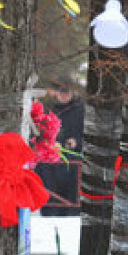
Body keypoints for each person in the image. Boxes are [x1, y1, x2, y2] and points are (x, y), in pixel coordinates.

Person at [36, 84, 85, 217]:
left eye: (67, 92)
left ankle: (72, 211)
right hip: (50, 158)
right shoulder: (47, 110)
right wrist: (48, 143)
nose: (64, 95)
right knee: (46, 176)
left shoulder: (81, 111)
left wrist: (76, 142)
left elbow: (89, 136)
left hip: (73, 158)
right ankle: (50, 211)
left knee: (74, 178)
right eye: (61, 92)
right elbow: (37, 133)